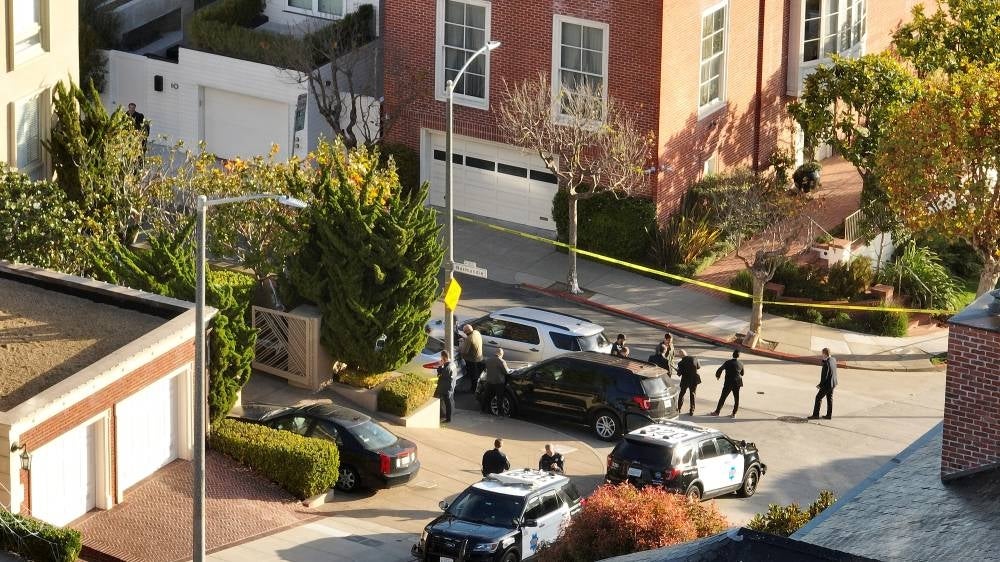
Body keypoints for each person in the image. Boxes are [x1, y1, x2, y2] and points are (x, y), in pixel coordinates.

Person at [710, 349, 744, 418]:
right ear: (739, 356)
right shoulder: (741, 363)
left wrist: (718, 376)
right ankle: (734, 414)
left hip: (728, 382)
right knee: (736, 398)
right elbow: (742, 374)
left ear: (732, 355)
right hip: (737, 382)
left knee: (723, 397)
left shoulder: (728, 362)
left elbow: (720, 369)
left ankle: (717, 412)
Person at [809, 348, 838, 420]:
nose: (822, 355)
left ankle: (815, 415)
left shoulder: (826, 364)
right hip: (833, 383)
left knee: (818, 398)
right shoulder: (833, 359)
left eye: (822, 354)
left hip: (827, 385)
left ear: (825, 354)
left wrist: (820, 385)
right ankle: (829, 415)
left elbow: (824, 377)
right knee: (829, 399)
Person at [458, 324, 484, 393]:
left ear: (466, 332)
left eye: (464, 332)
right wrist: (465, 339)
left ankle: (473, 390)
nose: (464, 333)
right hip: (480, 358)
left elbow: (464, 352)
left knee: (473, 376)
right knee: (478, 375)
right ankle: (479, 389)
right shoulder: (476, 332)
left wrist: (461, 343)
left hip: (472, 360)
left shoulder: (469, 339)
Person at [483, 347, 510, 414]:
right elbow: (506, 372)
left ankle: (483, 410)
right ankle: (500, 413)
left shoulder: (488, 360)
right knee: (499, 398)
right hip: (499, 382)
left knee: (486, 396)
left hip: (489, 381)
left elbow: (486, 369)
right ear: (501, 354)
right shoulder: (501, 361)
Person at [676, 350, 702, 416]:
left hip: (685, 380)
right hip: (694, 379)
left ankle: (679, 408)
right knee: (692, 394)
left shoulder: (680, 363)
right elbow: (698, 367)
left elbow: (679, 374)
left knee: (682, 394)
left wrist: (677, 370)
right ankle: (692, 410)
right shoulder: (695, 358)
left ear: (681, 356)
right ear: (686, 353)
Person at [435, 350, 457, 423]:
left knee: (447, 403)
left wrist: (440, 366)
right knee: (448, 402)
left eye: (441, 357)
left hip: (445, 388)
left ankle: (448, 418)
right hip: (451, 386)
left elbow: (440, 375)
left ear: (443, 357)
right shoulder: (453, 364)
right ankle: (447, 416)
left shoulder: (447, 367)